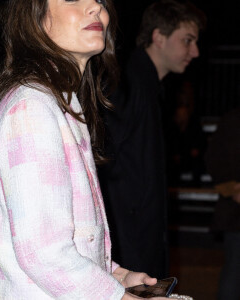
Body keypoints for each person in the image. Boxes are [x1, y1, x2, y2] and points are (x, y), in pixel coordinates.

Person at [0, 0, 175, 299]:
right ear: (35, 19)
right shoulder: (32, 108)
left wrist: (118, 275)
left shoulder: (59, 103)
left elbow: (68, 239)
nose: (95, 8)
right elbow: (44, 254)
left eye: (100, 0)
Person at [99, 0, 206, 279]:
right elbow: (103, 166)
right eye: (187, 40)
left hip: (137, 243)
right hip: (127, 248)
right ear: (159, 37)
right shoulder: (126, 85)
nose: (194, 51)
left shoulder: (146, 88)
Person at [205, 106, 240, 300]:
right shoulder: (233, 119)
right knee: (234, 277)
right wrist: (233, 189)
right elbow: (214, 158)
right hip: (236, 216)